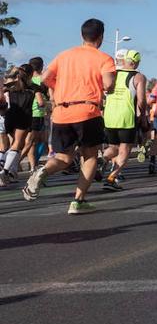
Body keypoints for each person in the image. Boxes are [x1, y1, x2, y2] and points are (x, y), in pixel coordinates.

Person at [23, 18, 117, 213]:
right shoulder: (104, 58)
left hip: (62, 112)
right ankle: (78, 201)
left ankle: (43, 170)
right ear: (100, 37)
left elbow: (46, 78)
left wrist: (63, 90)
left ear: (82, 35)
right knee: (90, 157)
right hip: (88, 111)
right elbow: (108, 85)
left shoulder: (64, 55)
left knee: (64, 158)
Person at [101, 50, 147, 191]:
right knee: (124, 149)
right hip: (126, 116)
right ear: (135, 62)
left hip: (109, 116)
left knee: (113, 147)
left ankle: (101, 160)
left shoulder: (112, 74)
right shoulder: (139, 77)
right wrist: (143, 115)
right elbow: (141, 100)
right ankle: (111, 178)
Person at [1, 66, 37, 186]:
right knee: (17, 144)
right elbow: (42, 99)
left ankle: (11, 171)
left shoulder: (10, 85)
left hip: (10, 115)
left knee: (15, 144)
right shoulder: (32, 87)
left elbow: (2, 91)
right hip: (24, 116)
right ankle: (5, 170)